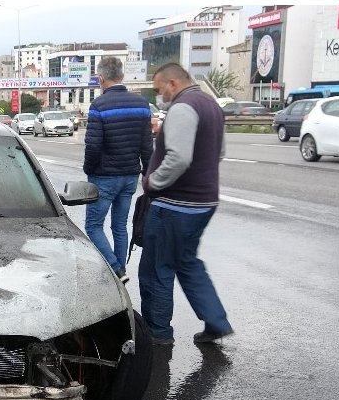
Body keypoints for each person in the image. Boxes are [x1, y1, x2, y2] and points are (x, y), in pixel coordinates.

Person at [138, 63, 233, 345]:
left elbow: (178, 158)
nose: (160, 96)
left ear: (172, 83)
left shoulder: (182, 107)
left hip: (175, 206)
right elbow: (220, 152)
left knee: (157, 269)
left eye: (159, 89)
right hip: (203, 202)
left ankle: (158, 333)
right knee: (187, 263)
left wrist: (153, 182)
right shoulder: (211, 105)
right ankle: (216, 321)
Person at [82, 56, 154, 284]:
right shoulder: (141, 105)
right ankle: (120, 270)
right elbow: (146, 144)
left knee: (93, 226)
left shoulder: (99, 107)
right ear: (122, 76)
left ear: (100, 78)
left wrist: (89, 170)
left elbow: (93, 146)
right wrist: (146, 172)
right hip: (130, 176)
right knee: (119, 226)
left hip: (104, 177)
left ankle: (115, 269)